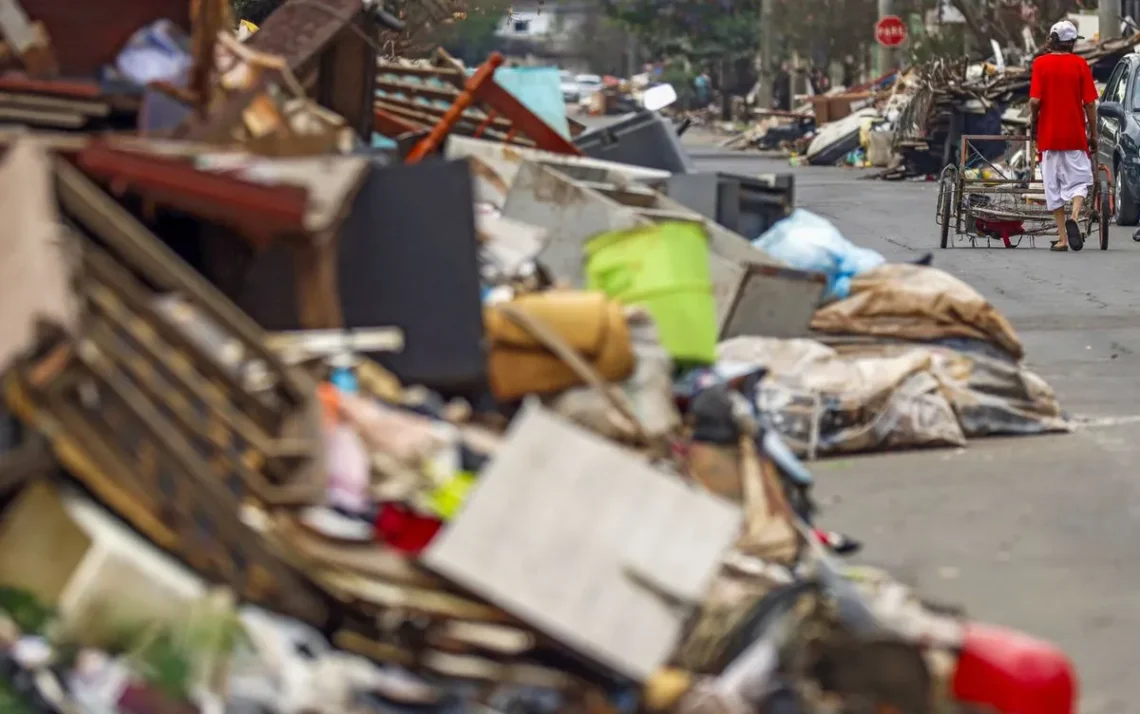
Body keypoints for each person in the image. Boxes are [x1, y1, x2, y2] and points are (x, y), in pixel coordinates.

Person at [1029, 19, 1098, 252]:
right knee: (1080, 183)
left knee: (1053, 188)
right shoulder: (1080, 65)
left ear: (1053, 40)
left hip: (1049, 138)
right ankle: (1075, 217)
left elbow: (1034, 100)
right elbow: (1090, 104)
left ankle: (1062, 239)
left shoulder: (1040, 64)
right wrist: (1094, 134)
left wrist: (1033, 119)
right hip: (1075, 136)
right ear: (1071, 44)